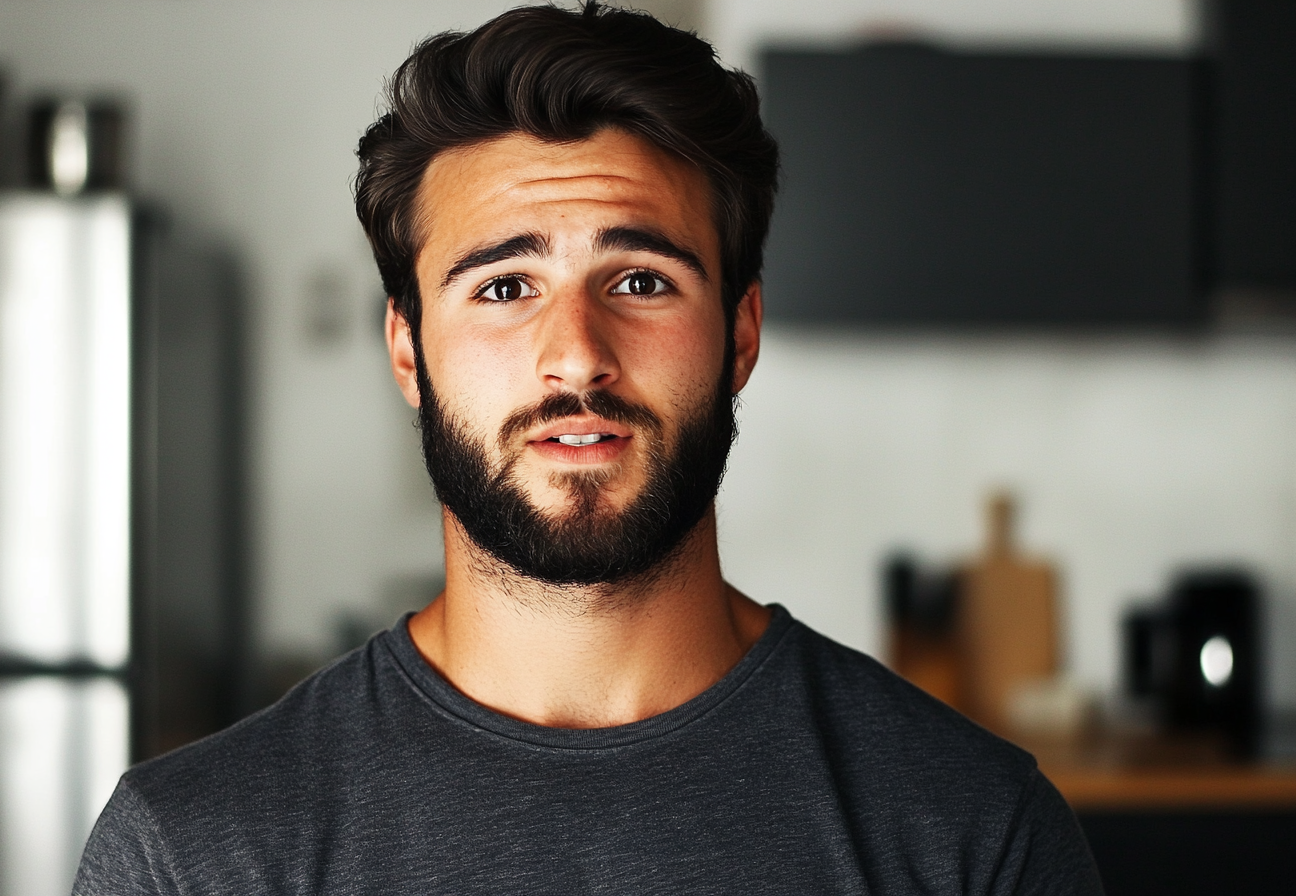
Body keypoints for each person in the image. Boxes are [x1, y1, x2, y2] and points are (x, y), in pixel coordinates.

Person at [74, 4, 1104, 893]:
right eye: (505, 287)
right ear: (405, 346)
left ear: (740, 332)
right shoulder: (193, 851)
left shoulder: (973, 832)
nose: (576, 356)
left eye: (643, 280)